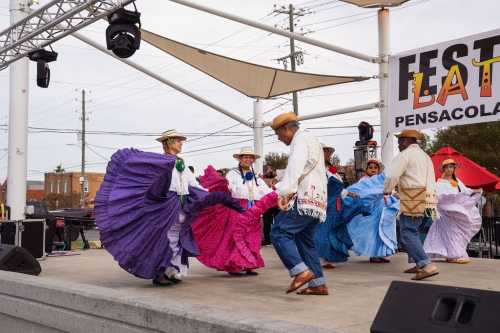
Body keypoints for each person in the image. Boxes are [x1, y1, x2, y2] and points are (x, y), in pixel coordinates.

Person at [94, 129, 243, 287]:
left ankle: (171, 271)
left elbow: (192, 184)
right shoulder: (160, 163)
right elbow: (154, 183)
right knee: (164, 238)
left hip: (181, 204)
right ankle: (159, 273)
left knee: (177, 238)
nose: (181, 143)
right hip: (166, 205)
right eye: (178, 141)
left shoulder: (182, 164)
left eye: (181, 141)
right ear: (169, 143)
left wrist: (210, 195)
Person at [269, 112, 329, 295]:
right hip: (317, 201)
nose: (280, 139)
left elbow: (294, 167)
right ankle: (318, 283)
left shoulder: (299, 140)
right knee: (305, 240)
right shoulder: (312, 138)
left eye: (279, 134)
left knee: (279, 232)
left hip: (304, 198)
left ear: (286, 128)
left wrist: (283, 192)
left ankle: (300, 270)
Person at [191, 148, 276, 275]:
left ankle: (249, 264)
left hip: (253, 209)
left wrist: (280, 194)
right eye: (245, 157)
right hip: (237, 207)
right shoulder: (233, 174)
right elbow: (228, 190)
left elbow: (265, 191)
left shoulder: (256, 177)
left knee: (253, 236)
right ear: (240, 159)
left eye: (250, 157)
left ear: (254, 160)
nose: (248, 159)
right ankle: (235, 265)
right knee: (237, 235)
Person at [383, 129, 439, 281]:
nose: (399, 144)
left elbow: (392, 175)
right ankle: (418, 264)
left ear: (406, 141)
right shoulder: (426, 156)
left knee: (408, 232)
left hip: (414, 199)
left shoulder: (405, 154)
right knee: (415, 232)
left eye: (400, 141)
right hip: (430, 200)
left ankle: (426, 266)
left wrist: (387, 189)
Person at [423, 159, 483, 264]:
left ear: (453, 168)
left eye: (451, 167)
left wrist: (476, 191)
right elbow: (438, 196)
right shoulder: (439, 183)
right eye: (447, 167)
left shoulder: (456, 182)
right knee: (450, 232)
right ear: (443, 169)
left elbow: (465, 191)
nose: (449, 169)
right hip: (445, 212)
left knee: (455, 232)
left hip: (456, 212)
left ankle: (452, 254)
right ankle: (455, 254)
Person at [316, 143, 360, 269]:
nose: (328, 154)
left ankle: (328, 257)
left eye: (329, 152)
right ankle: (320, 258)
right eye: (325, 151)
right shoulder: (316, 169)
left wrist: (349, 193)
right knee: (322, 230)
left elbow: (338, 187)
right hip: (325, 202)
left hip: (335, 203)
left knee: (332, 229)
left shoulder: (331, 170)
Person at [347, 158, 400, 264]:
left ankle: (380, 253)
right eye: (370, 167)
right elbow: (365, 193)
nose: (373, 169)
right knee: (373, 232)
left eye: (375, 168)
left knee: (383, 230)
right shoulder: (364, 181)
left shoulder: (382, 180)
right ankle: (373, 255)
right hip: (372, 209)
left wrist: (395, 197)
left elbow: (388, 190)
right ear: (366, 169)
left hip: (383, 208)